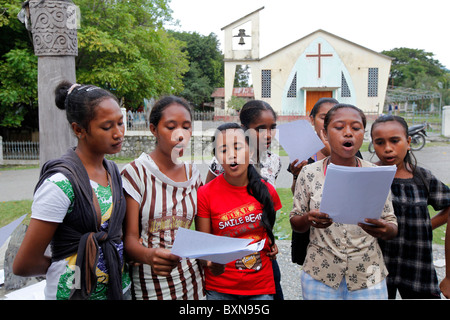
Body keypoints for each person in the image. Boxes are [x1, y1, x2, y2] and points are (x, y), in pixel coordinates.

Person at [13, 81, 130, 300]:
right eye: (107, 127)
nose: (118, 133)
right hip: (73, 293)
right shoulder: (60, 184)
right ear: (79, 129)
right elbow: (25, 263)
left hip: (117, 288)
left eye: (120, 123)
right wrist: (70, 266)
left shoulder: (112, 171)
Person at [290, 104, 398, 300]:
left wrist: (384, 229)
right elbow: (295, 222)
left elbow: (391, 224)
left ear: (363, 134)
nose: (348, 133)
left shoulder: (375, 173)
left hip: (368, 276)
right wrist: (307, 219)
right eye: (339, 127)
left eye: (356, 128)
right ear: (324, 133)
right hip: (320, 274)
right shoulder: (309, 173)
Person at [121, 96, 204, 300]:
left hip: (194, 283)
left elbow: (202, 238)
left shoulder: (194, 175)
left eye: (186, 127)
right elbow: (129, 240)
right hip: (151, 285)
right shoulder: (135, 173)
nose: (180, 135)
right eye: (170, 127)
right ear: (153, 129)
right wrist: (149, 255)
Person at [205, 100, 284, 299]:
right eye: (260, 129)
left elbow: (270, 206)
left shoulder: (274, 161)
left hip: (261, 252)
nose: (268, 134)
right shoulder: (222, 161)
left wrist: (270, 240)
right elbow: (208, 196)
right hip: (228, 258)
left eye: (272, 128)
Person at [371, 115, 450, 299]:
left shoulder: (422, 178)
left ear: (408, 142)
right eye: (380, 142)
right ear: (373, 144)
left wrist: (427, 225)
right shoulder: (367, 175)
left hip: (417, 266)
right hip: (376, 268)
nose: (388, 148)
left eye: (395, 141)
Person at [289, 98, 337, 266]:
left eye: (334, 118)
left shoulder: (348, 149)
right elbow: (296, 194)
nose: (327, 123)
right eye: (324, 117)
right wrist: (296, 176)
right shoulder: (302, 150)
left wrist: (330, 150)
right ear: (312, 119)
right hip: (310, 226)